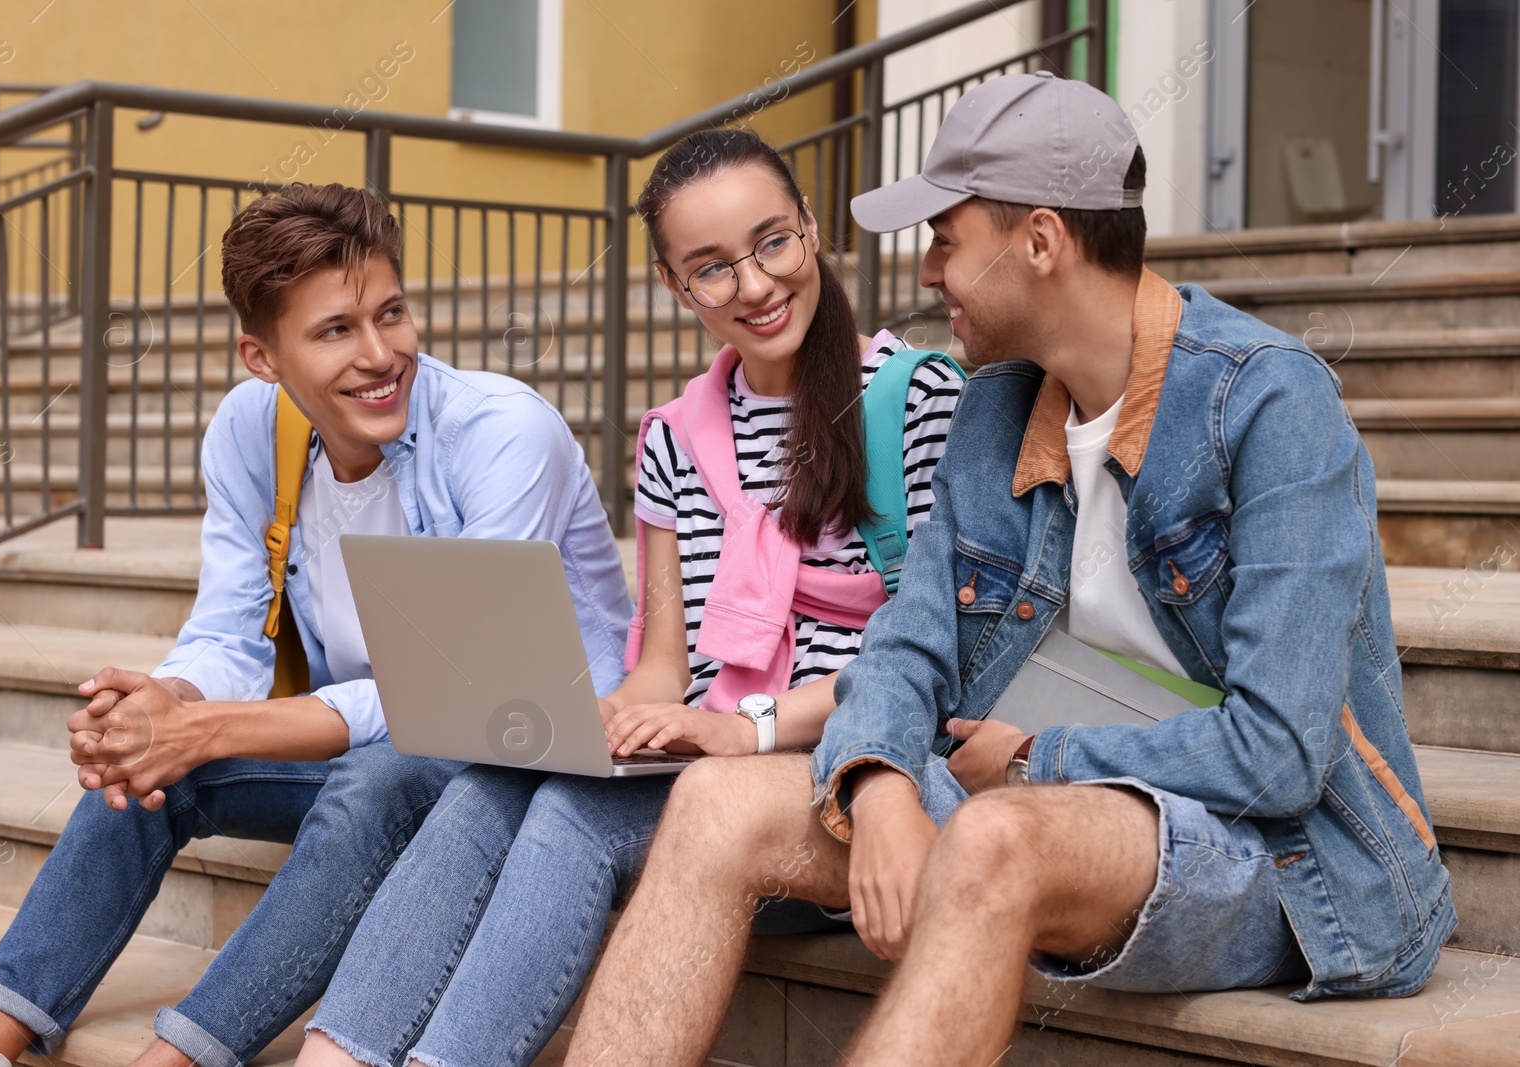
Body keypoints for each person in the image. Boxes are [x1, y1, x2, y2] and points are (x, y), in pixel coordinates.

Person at [562, 72, 1453, 1067]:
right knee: (715, 804)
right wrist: (878, 779)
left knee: (996, 835)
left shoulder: (1270, 408)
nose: (929, 268)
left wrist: (1039, 756)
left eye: (946, 237)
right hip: (1048, 802)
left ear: (1038, 242)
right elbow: (905, 645)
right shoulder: (999, 405)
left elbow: (1280, 752)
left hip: (1295, 862)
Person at [292, 127, 963, 1067]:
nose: (757, 286)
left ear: (812, 229)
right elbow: (663, 665)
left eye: (774, 242)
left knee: (568, 816)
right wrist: (584, 724)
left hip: (864, 775)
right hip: (710, 771)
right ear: (675, 287)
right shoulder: (673, 438)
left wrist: (749, 729)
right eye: (712, 269)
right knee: (503, 780)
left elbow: (931, 663)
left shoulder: (918, 400)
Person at [0, 183, 632, 1067]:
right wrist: (165, 703)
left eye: (392, 313)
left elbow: (465, 696)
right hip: (370, 736)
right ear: (263, 355)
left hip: (517, 756)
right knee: (150, 760)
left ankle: (181, 1055)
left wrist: (207, 726)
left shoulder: (498, 431)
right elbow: (227, 633)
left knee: (375, 776)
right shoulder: (251, 430)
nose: (382, 354)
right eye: (336, 330)